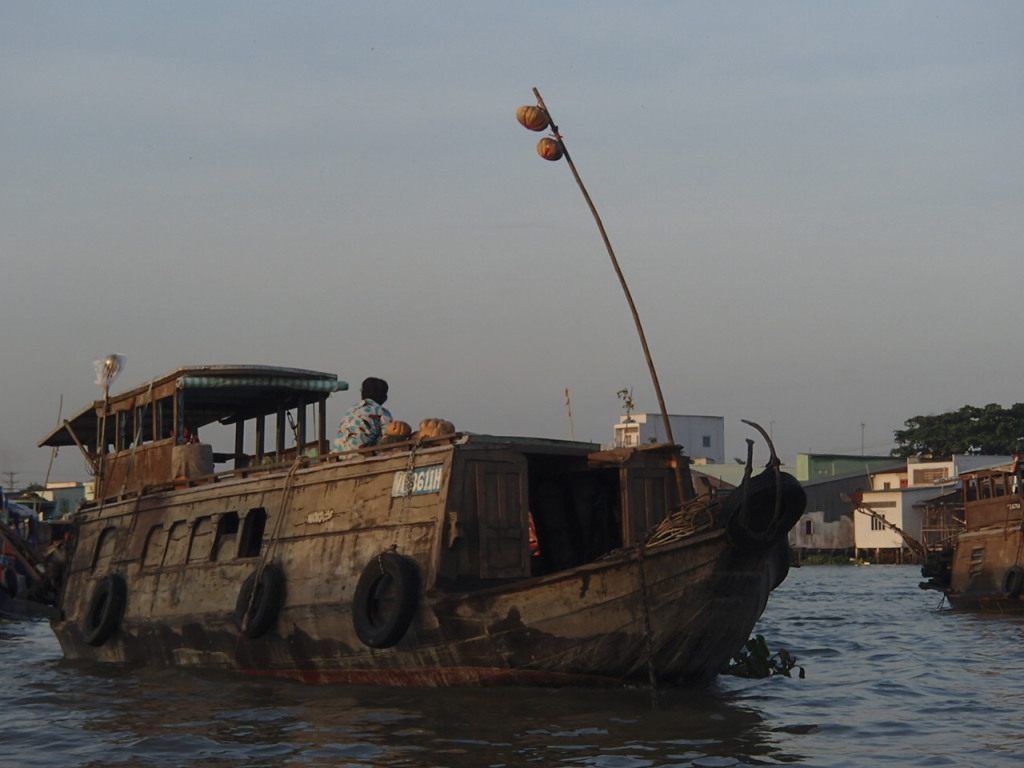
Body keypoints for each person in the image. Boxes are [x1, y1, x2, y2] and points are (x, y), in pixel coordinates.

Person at [333, 377, 393, 453]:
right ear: (384, 397)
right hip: (363, 455)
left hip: (338, 456)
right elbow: (390, 438)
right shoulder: (382, 411)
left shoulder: (351, 410)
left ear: (362, 393)